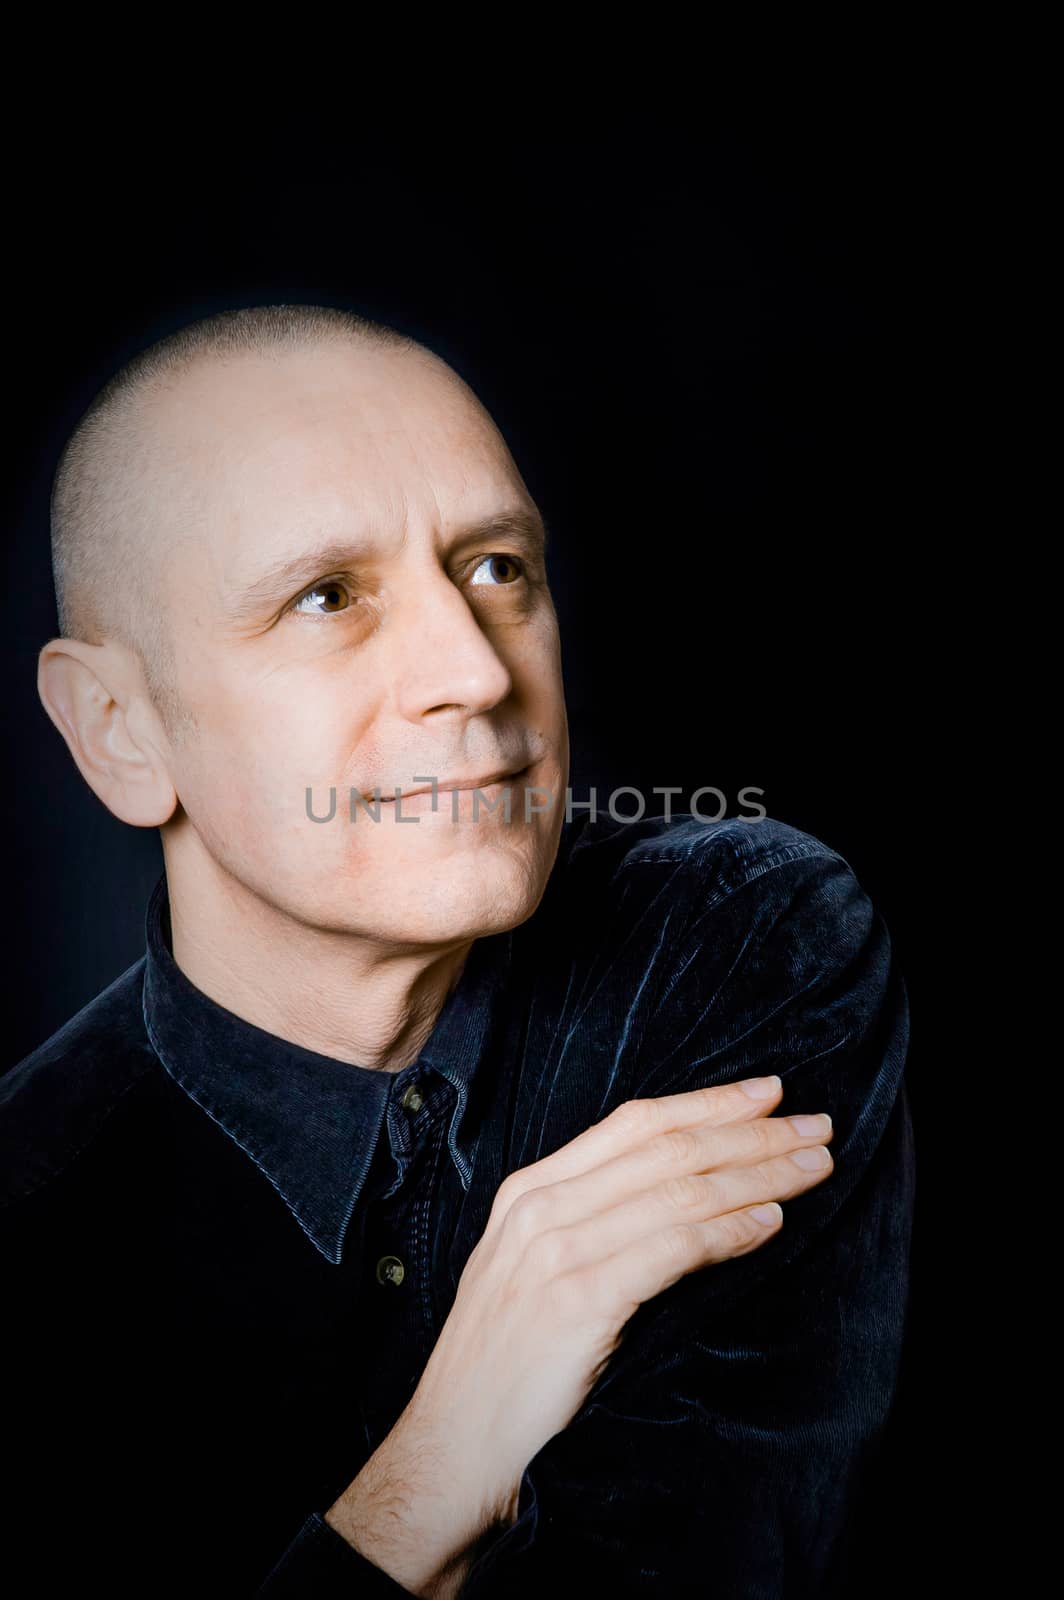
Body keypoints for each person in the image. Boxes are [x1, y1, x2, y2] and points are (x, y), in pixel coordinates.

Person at [0, 304, 915, 1597]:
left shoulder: (738, 940)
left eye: (496, 568)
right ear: (117, 730)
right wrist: (436, 1468)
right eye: (329, 597)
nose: (474, 672)